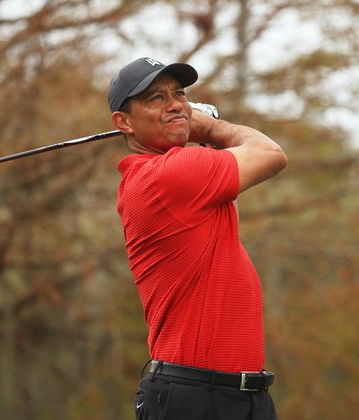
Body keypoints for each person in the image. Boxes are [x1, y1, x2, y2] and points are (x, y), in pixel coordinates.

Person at [108, 57, 287, 420]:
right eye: (156, 98)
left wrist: (190, 129)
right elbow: (271, 154)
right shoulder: (167, 176)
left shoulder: (175, 176)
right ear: (124, 122)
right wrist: (206, 127)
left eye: (180, 94)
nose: (175, 103)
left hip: (237, 395)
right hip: (199, 398)